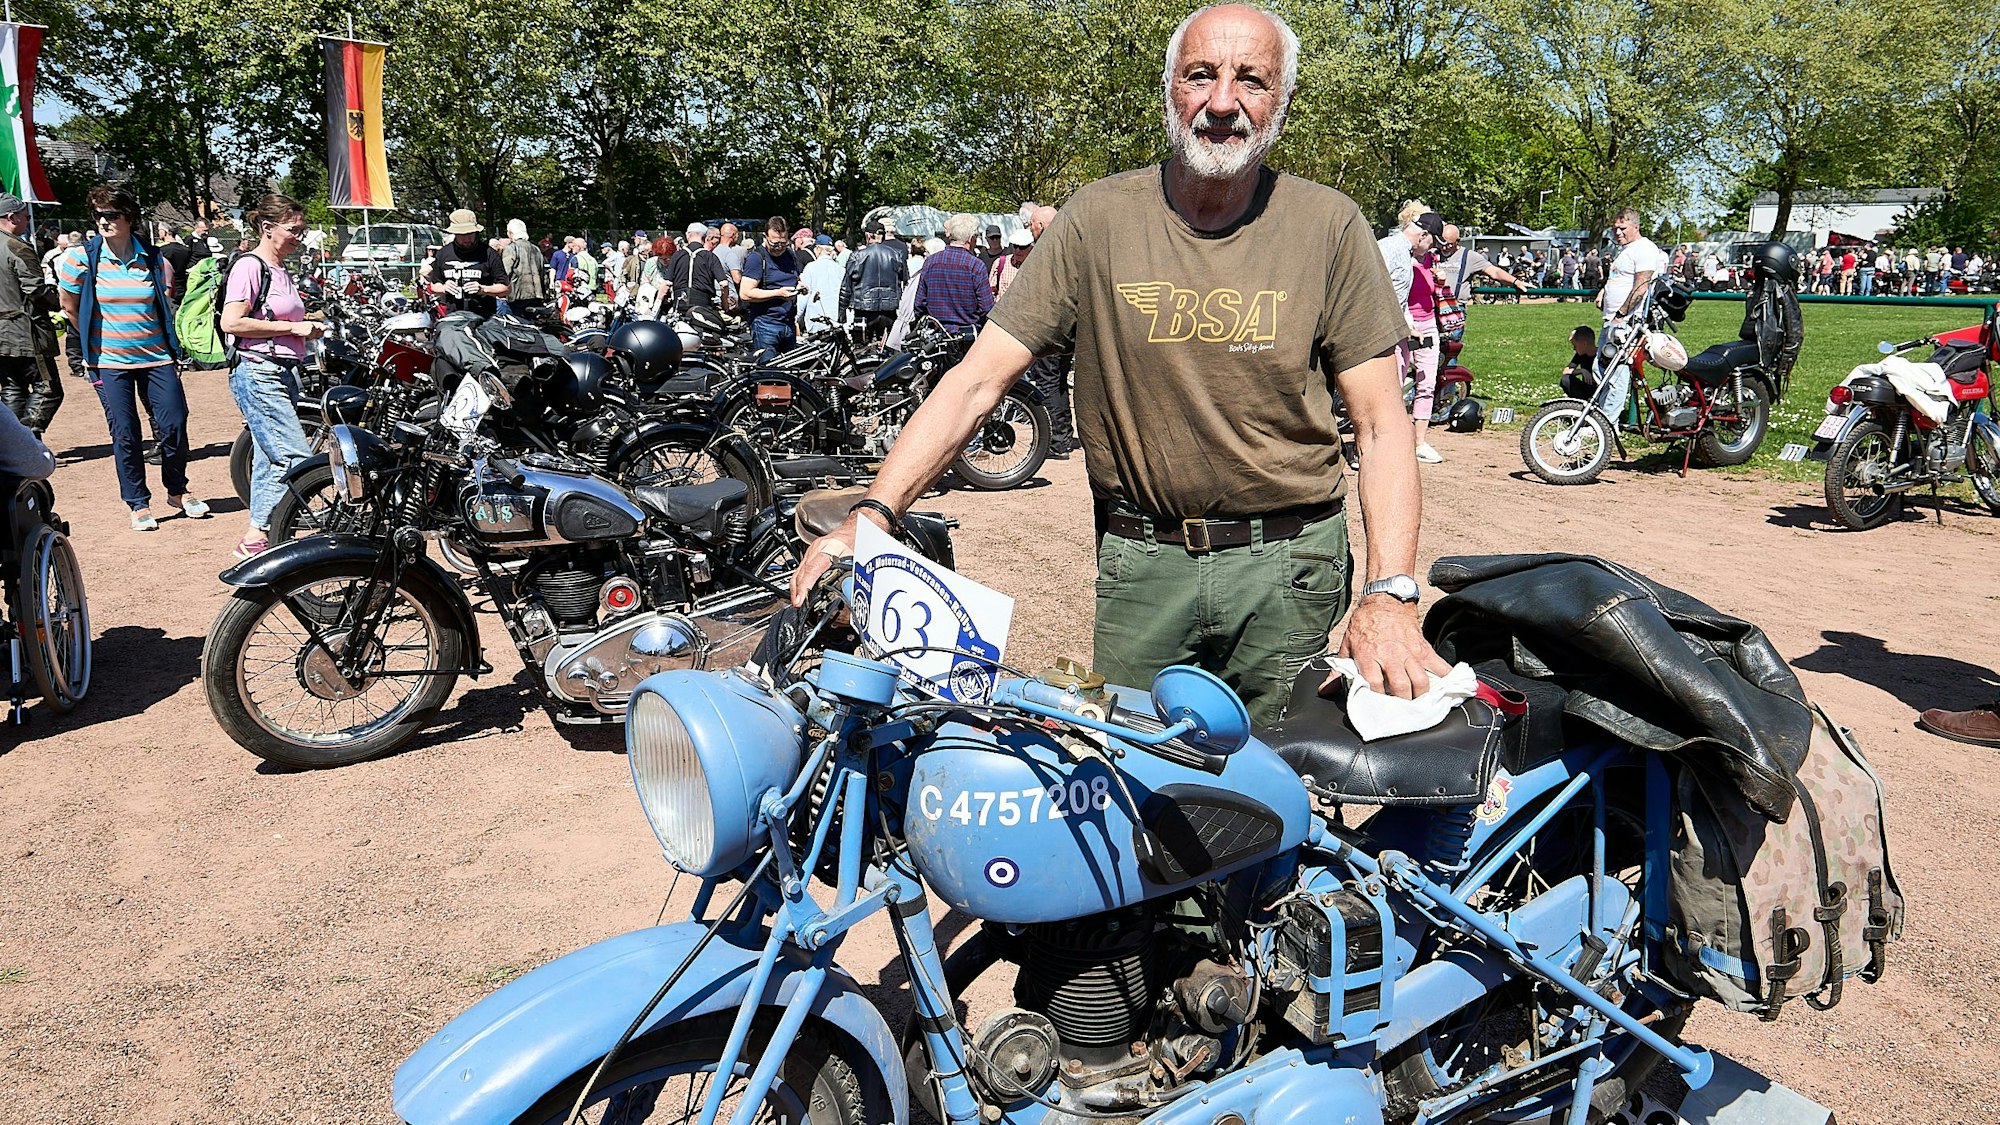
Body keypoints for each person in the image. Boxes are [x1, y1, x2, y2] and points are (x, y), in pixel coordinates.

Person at [791, 2, 1444, 717]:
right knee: (1133, 793)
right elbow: (977, 379)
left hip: (1289, 566)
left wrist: (1390, 592)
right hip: (1143, 562)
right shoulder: (1097, 219)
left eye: (1251, 81)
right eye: (1201, 75)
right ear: (1169, 89)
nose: (1222, 102)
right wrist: (876, 514)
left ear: (1281, 100)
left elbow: (1382, 427)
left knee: (1285, 796)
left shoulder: (1328, 224)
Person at [55, 185, 209, 531]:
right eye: (98, 215)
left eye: (111, 214)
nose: (104, 221)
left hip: (156, 357)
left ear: (129, 217)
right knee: (125, 433)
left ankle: (177, 490)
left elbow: (163, 302)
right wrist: (90, 345)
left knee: (174, 422)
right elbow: (69, 306)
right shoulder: (82, 257)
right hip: (109, 362)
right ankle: (138, 502)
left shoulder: (153, 258)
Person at [219, 194, 325, 560]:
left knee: (269, 459)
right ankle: (303, 539)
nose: (300, 236)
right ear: (267, 228)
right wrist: (293, 329)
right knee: (296, 458)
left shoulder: (280, 269)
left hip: (283, 373)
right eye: (294, 229)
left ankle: (256, 537)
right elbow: (231, 322)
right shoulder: (250, 266)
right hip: (259, 371)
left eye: (302, 229)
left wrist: (307, 324)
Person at [1377, 211, 1445, 463]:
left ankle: (1411, 443)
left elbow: (1399, 297)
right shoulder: (1390, 248)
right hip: (1384, 332)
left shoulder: (1405, 253)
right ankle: (1378, 446)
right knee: (1388, 387)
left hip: (1405, 327)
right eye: (1432, 242)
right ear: (1423, 235)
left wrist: (1409, 326)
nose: (1432, 248)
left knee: (1421, 384)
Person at [1595, 207, 1667, 425]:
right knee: (1600, 370)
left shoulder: (1644, 249)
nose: (1617, 232)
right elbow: (1620, 278)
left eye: (1622, 228)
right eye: (1615, 228)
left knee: (1616, 375)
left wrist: (1621, 314)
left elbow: (1641, 286)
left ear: (1636, 226)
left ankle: (1607, 425)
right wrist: (1604, 292)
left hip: (1626, 323)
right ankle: (1601, 420)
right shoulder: (1625, 250)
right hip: (1611, 320)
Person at [1021, 204, 1077, 459]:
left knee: (1049, 382)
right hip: (1068, 327)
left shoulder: (1047, 251)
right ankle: (1062, 435)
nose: (1029, 230)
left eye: (1031, 225)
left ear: (1041, 226)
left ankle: (1057, 440)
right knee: (1059, 382)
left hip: (1050, 328)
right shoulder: (1070, 246)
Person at [0, 193, 58, 437]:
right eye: (24, 216)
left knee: (13, 387)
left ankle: (11, 444)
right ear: (11, 217)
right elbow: (35, 289)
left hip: (3, 336)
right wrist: (59, 301)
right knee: (49, 388)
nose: (27, 220)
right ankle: (27, 439)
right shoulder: (16, 246)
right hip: (25, 330)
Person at [913, 213, 995, 335]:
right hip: (967, 336)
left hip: (936, 336)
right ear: (971, 238)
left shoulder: (930, 262)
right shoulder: (976, 266)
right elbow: (987, 308)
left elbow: (919, 304)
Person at [739, 216, 804, 359]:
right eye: (774, 244)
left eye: (783, 243)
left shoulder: (790, 255)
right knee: (769, 375)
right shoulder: (757, 258)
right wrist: (777, 293)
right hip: (766, 325)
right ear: (765, 237)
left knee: (789, 374)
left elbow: (795, 278)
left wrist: (800, 286)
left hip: (788, 324)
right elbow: (745, 293)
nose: (779, 248)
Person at [425, 209, 508, 317]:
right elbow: (434, 286)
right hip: (454, 318)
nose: (467, 239)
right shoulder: (443, 254)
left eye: (470, 234)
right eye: (462, 235)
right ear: (455, 233)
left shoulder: (489, 253)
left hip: (484, 318)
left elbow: (505, 288)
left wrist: (483, 289)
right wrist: (444, 288)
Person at [840, 220, 909, 341]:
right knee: (888, 351)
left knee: (862, 350)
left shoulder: (857, 256)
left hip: (863, 310)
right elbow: (906, 281)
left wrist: (842, 312)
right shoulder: (896, 255)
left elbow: (846, 287)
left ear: (868, 236)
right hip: (889, 309)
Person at [796, 237, 844, 335]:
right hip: (836, 320)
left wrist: (796, 317)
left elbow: (804, 294)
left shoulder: (811, 267)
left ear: (818, 249)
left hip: (816, 320)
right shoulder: (841, 269)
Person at [989, 226, 1033, 298]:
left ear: (1030, 248)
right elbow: (991, 291)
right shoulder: (1000, 263)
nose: (1017, 250)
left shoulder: (1036, 267)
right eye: (1015, 246)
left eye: (1022, 247)